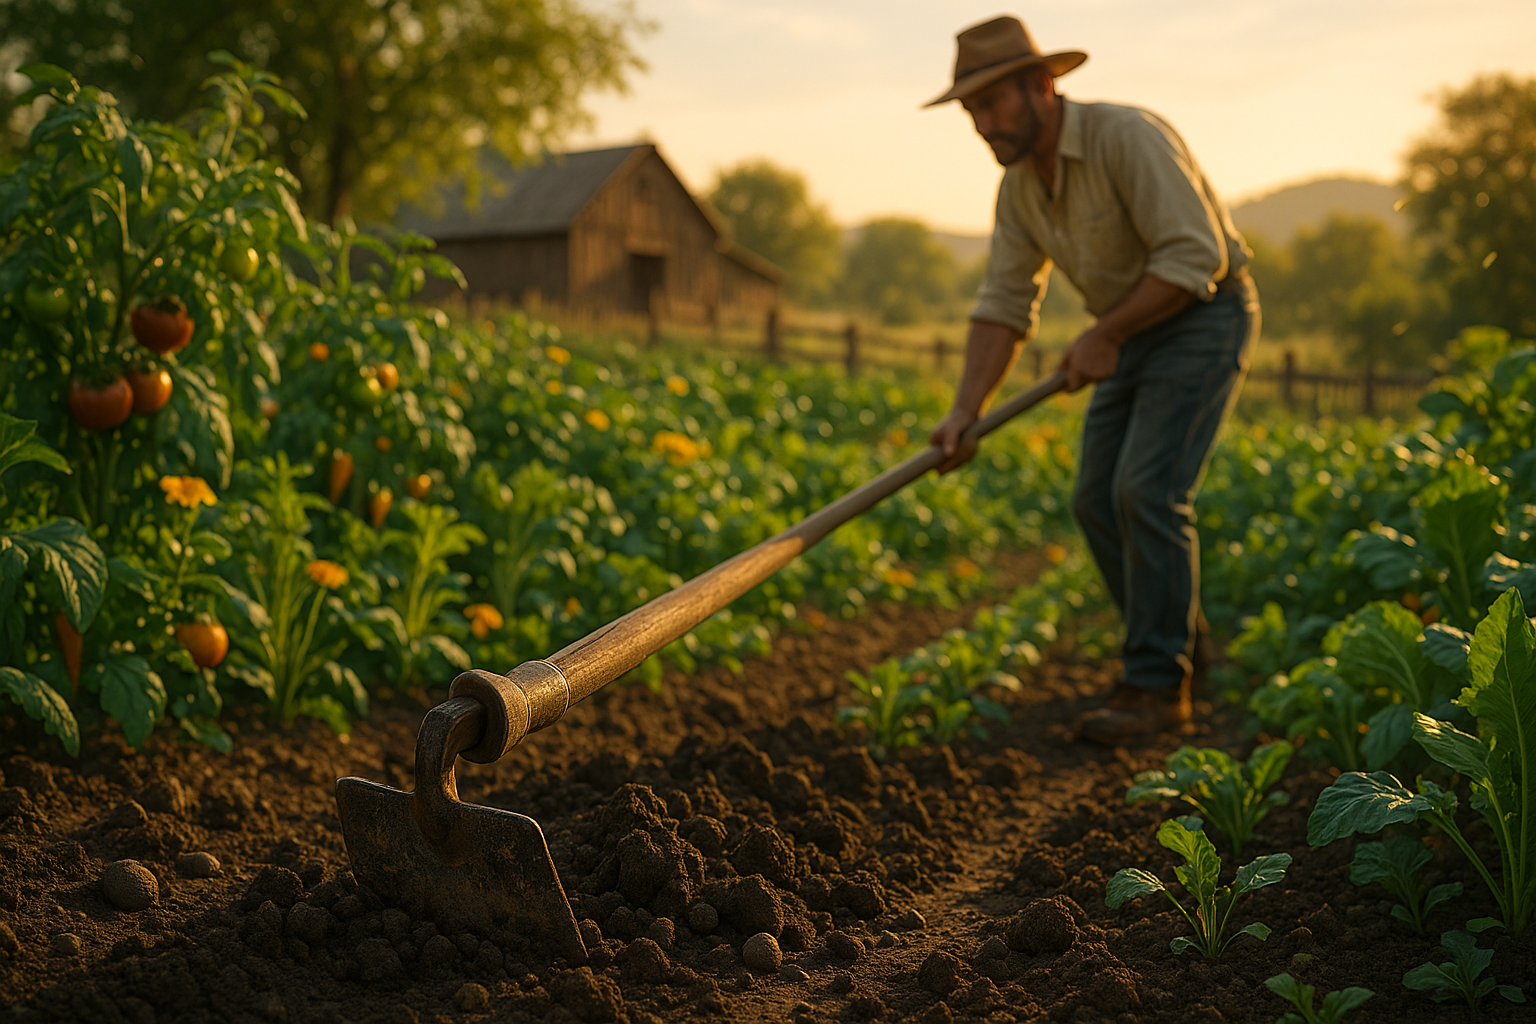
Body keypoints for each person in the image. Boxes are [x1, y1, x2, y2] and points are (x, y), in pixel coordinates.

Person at [925, 16, 1259, 745]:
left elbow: (1193, 255)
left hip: (1203, 314)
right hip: (1128, 327)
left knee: (1147, 488)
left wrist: (1105, 334)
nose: (981, 125)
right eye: (971, 111)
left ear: (1042, 85)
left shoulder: (1126, 137)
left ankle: (1154, 686)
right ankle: (1181, 648)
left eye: (993, 104)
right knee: (1094, 500)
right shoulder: (1019, 191)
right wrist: (964, 410)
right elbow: (1006, 304)